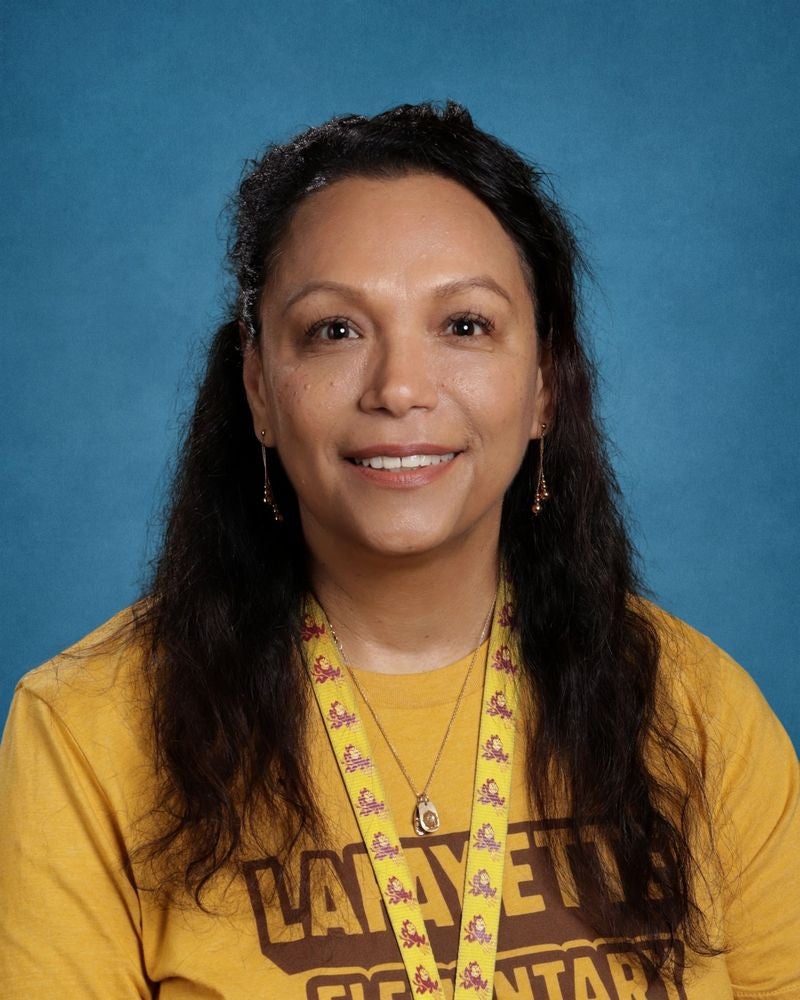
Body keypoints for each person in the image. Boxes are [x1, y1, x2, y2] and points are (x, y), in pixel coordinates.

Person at [1, 102, 797, 999]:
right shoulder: (89, 729)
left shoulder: (697, 710)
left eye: (465, 325)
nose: (401, 389)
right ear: (259, 389)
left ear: (545, 385)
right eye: (335, 330)